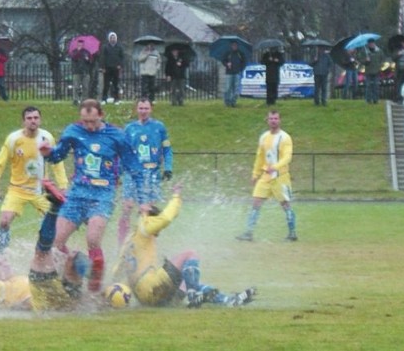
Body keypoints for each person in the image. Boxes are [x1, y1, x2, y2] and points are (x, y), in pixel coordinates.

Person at [39, 99, 147, 293]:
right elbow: (58, 156)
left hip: (103, 195)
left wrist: (143, 200)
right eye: (85, 121)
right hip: (77, 194)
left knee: (93, 238)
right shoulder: (73, 131)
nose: (88, 126)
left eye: (92, 121)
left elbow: (135, 168)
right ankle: (77, 269)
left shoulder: (117, 136)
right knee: (56, 242)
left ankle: (95, 286)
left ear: (101, 115)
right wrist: (48, 153)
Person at [113, 184, 256, 308]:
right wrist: (176, 196)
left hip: (146, 298)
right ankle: (194, 297)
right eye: (157, 229)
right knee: (190, 254)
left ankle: (228, 300)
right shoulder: (144, 226)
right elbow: (167, 218)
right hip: (151, 288)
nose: (158, 233)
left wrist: (108, 290)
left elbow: (117, 270)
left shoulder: (129, 241)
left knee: (188, 280)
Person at [0, 182, 91, 312]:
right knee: (41, 259)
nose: (3, 261)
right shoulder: (2, 288)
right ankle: (55, 208)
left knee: (72, 258)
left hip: (59, 296)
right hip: (44, 302)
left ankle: (95, 284)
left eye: (2, 259)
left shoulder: (21, 278)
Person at [0, 106, 68, 254]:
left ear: (40, 120)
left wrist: (63, 185)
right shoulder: (13, 139)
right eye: (29, 118)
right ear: (23, 121)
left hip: (41, 191)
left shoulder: (47, 138)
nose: (33, 121)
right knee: (4, 221)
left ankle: (62, 255)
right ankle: (1, 253)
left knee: (58, 225)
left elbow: (57, 162)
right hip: (17, 189)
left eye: (36, 118)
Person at [118, 98, 173, 246]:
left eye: (146, 108)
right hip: (132, 173)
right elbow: (124, 153)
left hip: (152, 174)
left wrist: (168, 168)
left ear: (151, 109)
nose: (143, 111)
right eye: (141, 108)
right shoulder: (129, 129)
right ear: (136, 109)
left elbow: (167, 149)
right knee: (127, 207)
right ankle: (122, 243)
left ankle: (146, 244)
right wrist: (118, 172)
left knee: (148, 211)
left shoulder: (159, 127)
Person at [236, 110, 297, 242]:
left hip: (280, 177)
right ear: (267, 120)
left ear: (280, 120)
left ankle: (292, 233)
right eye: (271, 119)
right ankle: (248, 232)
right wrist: (255, 174)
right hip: (265, 176)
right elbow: (260, 157)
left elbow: (287, 157)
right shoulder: (263, 137)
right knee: (256, 202)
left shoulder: (285, 138)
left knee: (285, 204)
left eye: (276, 118)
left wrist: (274, 167)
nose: (273, 121)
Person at [100, 32, 124, 105]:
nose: (112, 39)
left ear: (116, 39)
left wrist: (120, 65)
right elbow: (103, 57)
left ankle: (116, 99)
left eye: (114, 38)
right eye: (111, 38)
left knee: (116, 84)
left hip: (116, 68)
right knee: (106, 84)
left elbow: (122, 57)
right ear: (109, 39)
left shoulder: (119, 47)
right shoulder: (105, 47)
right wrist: (103, 67)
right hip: (107, 68)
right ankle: (104, 98)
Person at [358, 39, 385, 104]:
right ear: (368, 44)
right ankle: (368, 100)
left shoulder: (379, 51)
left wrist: (380, 66)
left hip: (376, 71)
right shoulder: (365, 51)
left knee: (376, 86)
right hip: (368, 72)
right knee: (368, 86)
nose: (371, 45)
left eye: (372, 43)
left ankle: (375, 100)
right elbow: (361, 60)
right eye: (370, 44)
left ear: (374, 43)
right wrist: (366, 61)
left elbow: (383, 59)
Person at [223, 41, 246, 107]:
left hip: (237, 73)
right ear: (231, 46)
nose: (234, 46)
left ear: (237, 46)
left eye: (235, 45)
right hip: (229, 73)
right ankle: (227, 102)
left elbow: (244, 62)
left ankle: (233, 102)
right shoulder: (228, 53)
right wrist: (227, 64)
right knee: (227, 88)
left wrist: (240, 69)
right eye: (233, 45)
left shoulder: (240, 53)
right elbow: (223, 60)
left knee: (236, 89)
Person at [71, 39, 92, 106]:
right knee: (76, 87)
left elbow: (90, 61)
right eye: (79, 44)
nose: (80, 45)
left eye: (81, 44)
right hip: (77, 71)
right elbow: (73, 58)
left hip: (85, 71)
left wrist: (88, 59)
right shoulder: (74, 51)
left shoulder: (86, 52)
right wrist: (78, 52)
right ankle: (75, 100)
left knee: (85, 87)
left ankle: (84, 100)